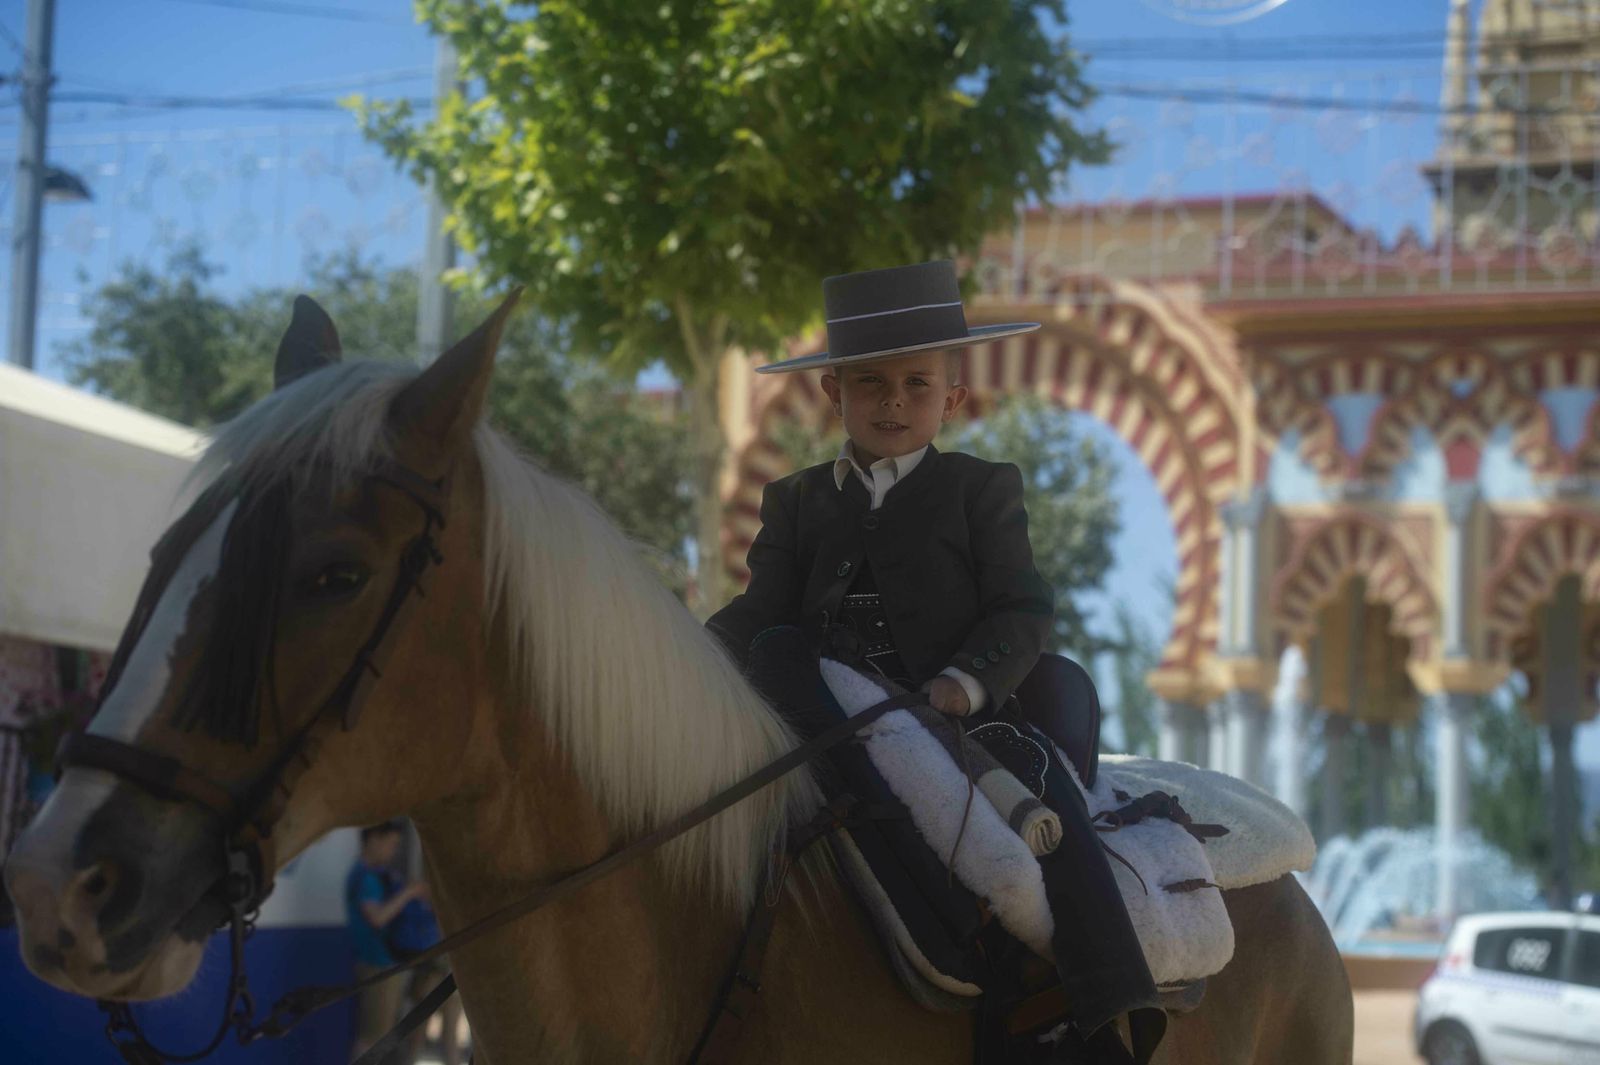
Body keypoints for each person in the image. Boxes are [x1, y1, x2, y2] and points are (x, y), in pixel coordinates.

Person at [707, 260, 1164, 1064]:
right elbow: (759, 610)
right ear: (832, 392)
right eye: (872, 382)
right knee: (771, 659)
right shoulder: (797, 501)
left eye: (917, 384)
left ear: (951, 398)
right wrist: (691, 657)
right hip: (824, 714)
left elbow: (1021, 607)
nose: (893, 401)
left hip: (959, 714)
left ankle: (1098, 1006)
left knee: (1051, 809)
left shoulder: (981, 490)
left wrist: (965, 680)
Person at [345, 821, 463, 1065]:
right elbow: (378, 918)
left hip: (397, 963)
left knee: (423, 1013)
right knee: (374, 1035)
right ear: (373, 839)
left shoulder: (384, 876)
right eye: (390, 844)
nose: (392, 851)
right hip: (377, 965)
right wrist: (408, 893)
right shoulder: (365, 877)